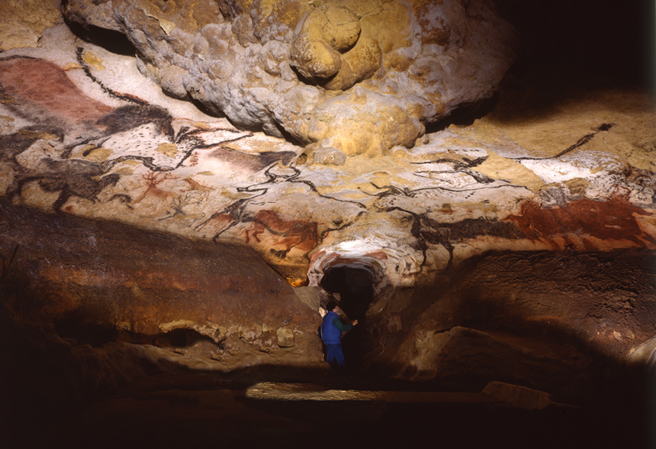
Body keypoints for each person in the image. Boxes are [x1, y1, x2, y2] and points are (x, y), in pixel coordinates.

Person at [320, 301, 358, 371]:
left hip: (327, 341)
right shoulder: (334, 318)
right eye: (336, 306)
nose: (338, 307)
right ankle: (343, 376)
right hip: (334, 341)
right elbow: (342, 328)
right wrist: (352, 324)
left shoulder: (325, 317)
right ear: (333, 308)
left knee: (330, 357)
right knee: (340, 358)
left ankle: (327, 372)